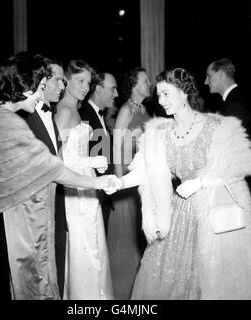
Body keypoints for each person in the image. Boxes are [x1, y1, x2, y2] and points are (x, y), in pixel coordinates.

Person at [0, 52, 113, 300]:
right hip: (5, 229)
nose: (40, 95)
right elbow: (51, 167)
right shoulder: (10, 124)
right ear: (23, 87)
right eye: (38, 88)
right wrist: (95, 182)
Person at [108, 67, 251, 299]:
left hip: (212, 216)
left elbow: (241, 166)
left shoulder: (217, 125)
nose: (160, 101)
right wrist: (119, 183)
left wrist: (201, 182)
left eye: (166, 94)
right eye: (158, 95)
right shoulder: (160, 131)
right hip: (179, 215)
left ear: (183, 92)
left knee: (210, 284)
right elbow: (146, 171)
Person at [55, 59, 113, 299]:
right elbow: (55, 159)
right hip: (73, 187)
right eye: (80, 80)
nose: (85, 86)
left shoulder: (76, 110)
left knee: (94, 243)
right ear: (66, 80)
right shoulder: (64, 111)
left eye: (88, 82)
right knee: (84, 248)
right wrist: (90, 162)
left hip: (87, 185)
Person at [19, 55, 68, 299]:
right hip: (32, 213)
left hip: (54, 204)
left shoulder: (50, 114)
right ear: (42, 81)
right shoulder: (23, 117)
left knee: (54, 270)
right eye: (58, 80)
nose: (62, 86)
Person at [109, 67, 151, 299]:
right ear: (135, 84)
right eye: (145, 80)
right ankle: (122, 293)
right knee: (125, 237)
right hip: (127, 178)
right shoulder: (126, 109)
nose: (149, 84)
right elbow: (115, 147)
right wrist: (119, 181)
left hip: (143, 177)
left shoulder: (145, 109)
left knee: (139, 233)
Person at [205, 58, 251, 211]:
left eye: (209, 76)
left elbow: (236, 147)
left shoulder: (234, 104)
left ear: (222, 74)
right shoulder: (232, 100)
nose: (206, 81)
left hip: (243, 178)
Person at [79, 72, 118, 234]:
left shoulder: (97, 114)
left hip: (103, 193)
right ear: (97, 89)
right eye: (112, 89)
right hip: (92, 193)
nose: (116, 94)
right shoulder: (84, 115)